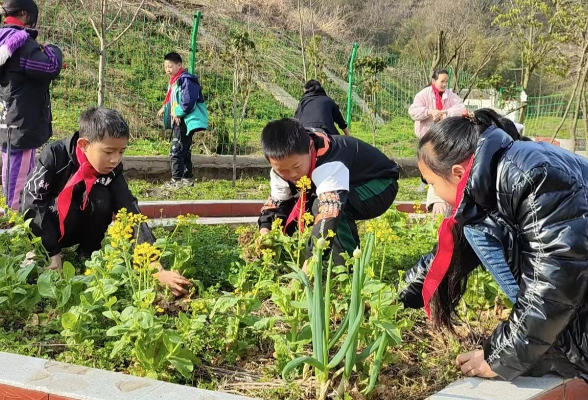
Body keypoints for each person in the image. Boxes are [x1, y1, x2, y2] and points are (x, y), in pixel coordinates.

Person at [399, 108, 588, 381]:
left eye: (430, 183)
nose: (434, 192)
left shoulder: (532, 177)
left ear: (457, 171)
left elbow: (554, 282)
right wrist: (396, 298)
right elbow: (448, 253)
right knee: (474, 227)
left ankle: (554, 346)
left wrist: (501, 358)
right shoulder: (501, 166)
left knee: (476, 230)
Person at [20, 107, 192, 296]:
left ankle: (88, 254)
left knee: (101, 197)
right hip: (54, 227)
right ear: (84, 144)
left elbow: (129, 211)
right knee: (57, 205)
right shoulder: (55, 155)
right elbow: (32, 202)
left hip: (83, 228)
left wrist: (154, 266)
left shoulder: (112, 170)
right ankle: (48, 253)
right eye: (109, 152)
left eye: (121, 152)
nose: (115, 160)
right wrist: (51, 251)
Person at [258, 118, 399, 265]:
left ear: (310, 148)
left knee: (329, 207)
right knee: (301, 206)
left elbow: (330, 212)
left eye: (297, 166)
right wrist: (265, 234)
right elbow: (277, 204)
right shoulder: (281, 169)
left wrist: (312, 261)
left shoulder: (330, 161)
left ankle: (347, 268)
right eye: (282, 170)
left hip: (380, 185)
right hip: (350, 183)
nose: (292, 174)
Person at [0, 0, 62, 210]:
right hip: (22, 122)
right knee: (18, 182)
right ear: (25, 13)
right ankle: (16, 225)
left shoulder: (4, 39)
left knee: (13, 171)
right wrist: (52, 49)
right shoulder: (22, 43)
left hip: (8, 120)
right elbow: (50, 67)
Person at [409, 69, 465, 216]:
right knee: (429, 164)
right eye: (442, 81)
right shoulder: (424, 94)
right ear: (434, 81)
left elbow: (461, 108)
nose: (444, 84)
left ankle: (438, 197)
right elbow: (413, 111)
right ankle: (430, 189)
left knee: (440, 166)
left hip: (443, 138)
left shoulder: (450, 95)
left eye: (446, 82)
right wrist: (430, 112)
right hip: (427, 138)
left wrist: (446, 113)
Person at [157, 51, 208, 188]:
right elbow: (173, 99)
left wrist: (178, 113)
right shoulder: (175, 81)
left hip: (185, 120)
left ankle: (176, 180)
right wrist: (165, 108)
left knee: (177, 148)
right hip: (179, 119)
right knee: (183, 149)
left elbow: (188, 101)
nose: (167, 69)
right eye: (165, 66)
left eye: (170, 66)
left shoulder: (186, 79)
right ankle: (187, 178)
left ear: (179, 65)